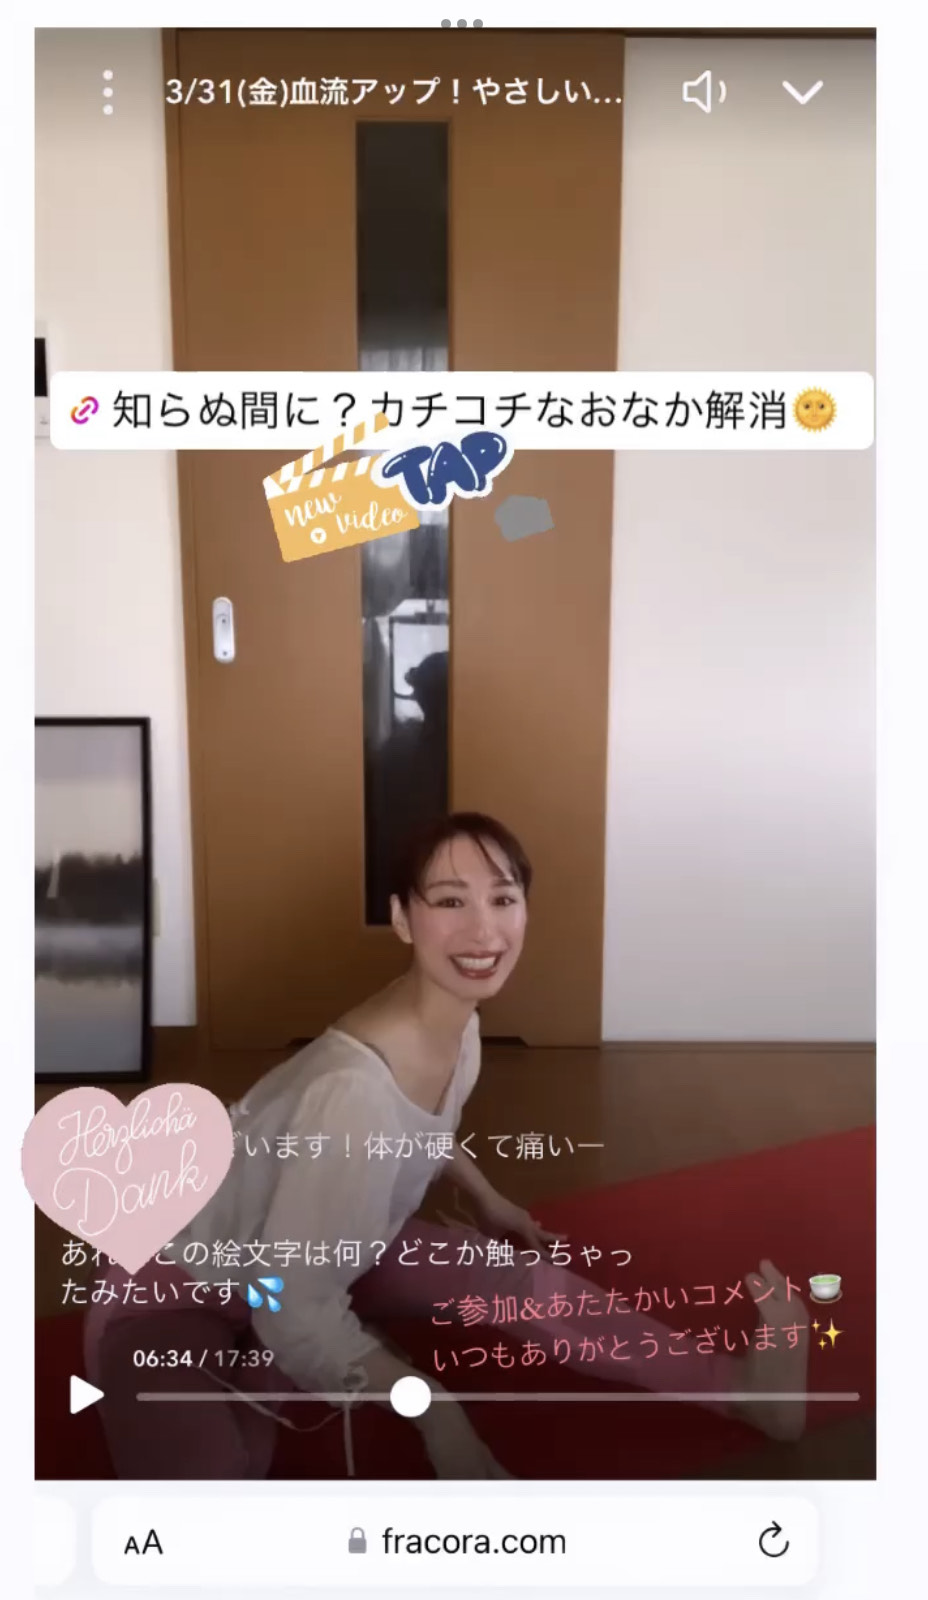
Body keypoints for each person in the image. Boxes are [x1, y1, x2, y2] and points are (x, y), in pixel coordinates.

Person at [86, 811, 807, 1478]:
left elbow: (421, 1125)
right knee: (206, 1502)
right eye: (451, 901)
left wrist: (489, 1200)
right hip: (177, 1288)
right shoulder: (351, 1093)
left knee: (516, 1282)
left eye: (503, 898)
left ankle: (743, 1390)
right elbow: (293, 1304)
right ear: (403, 918)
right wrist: (437, 1413)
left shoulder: (456, 1024)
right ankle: (280, 1362)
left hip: (325, 1244)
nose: (484, 930)